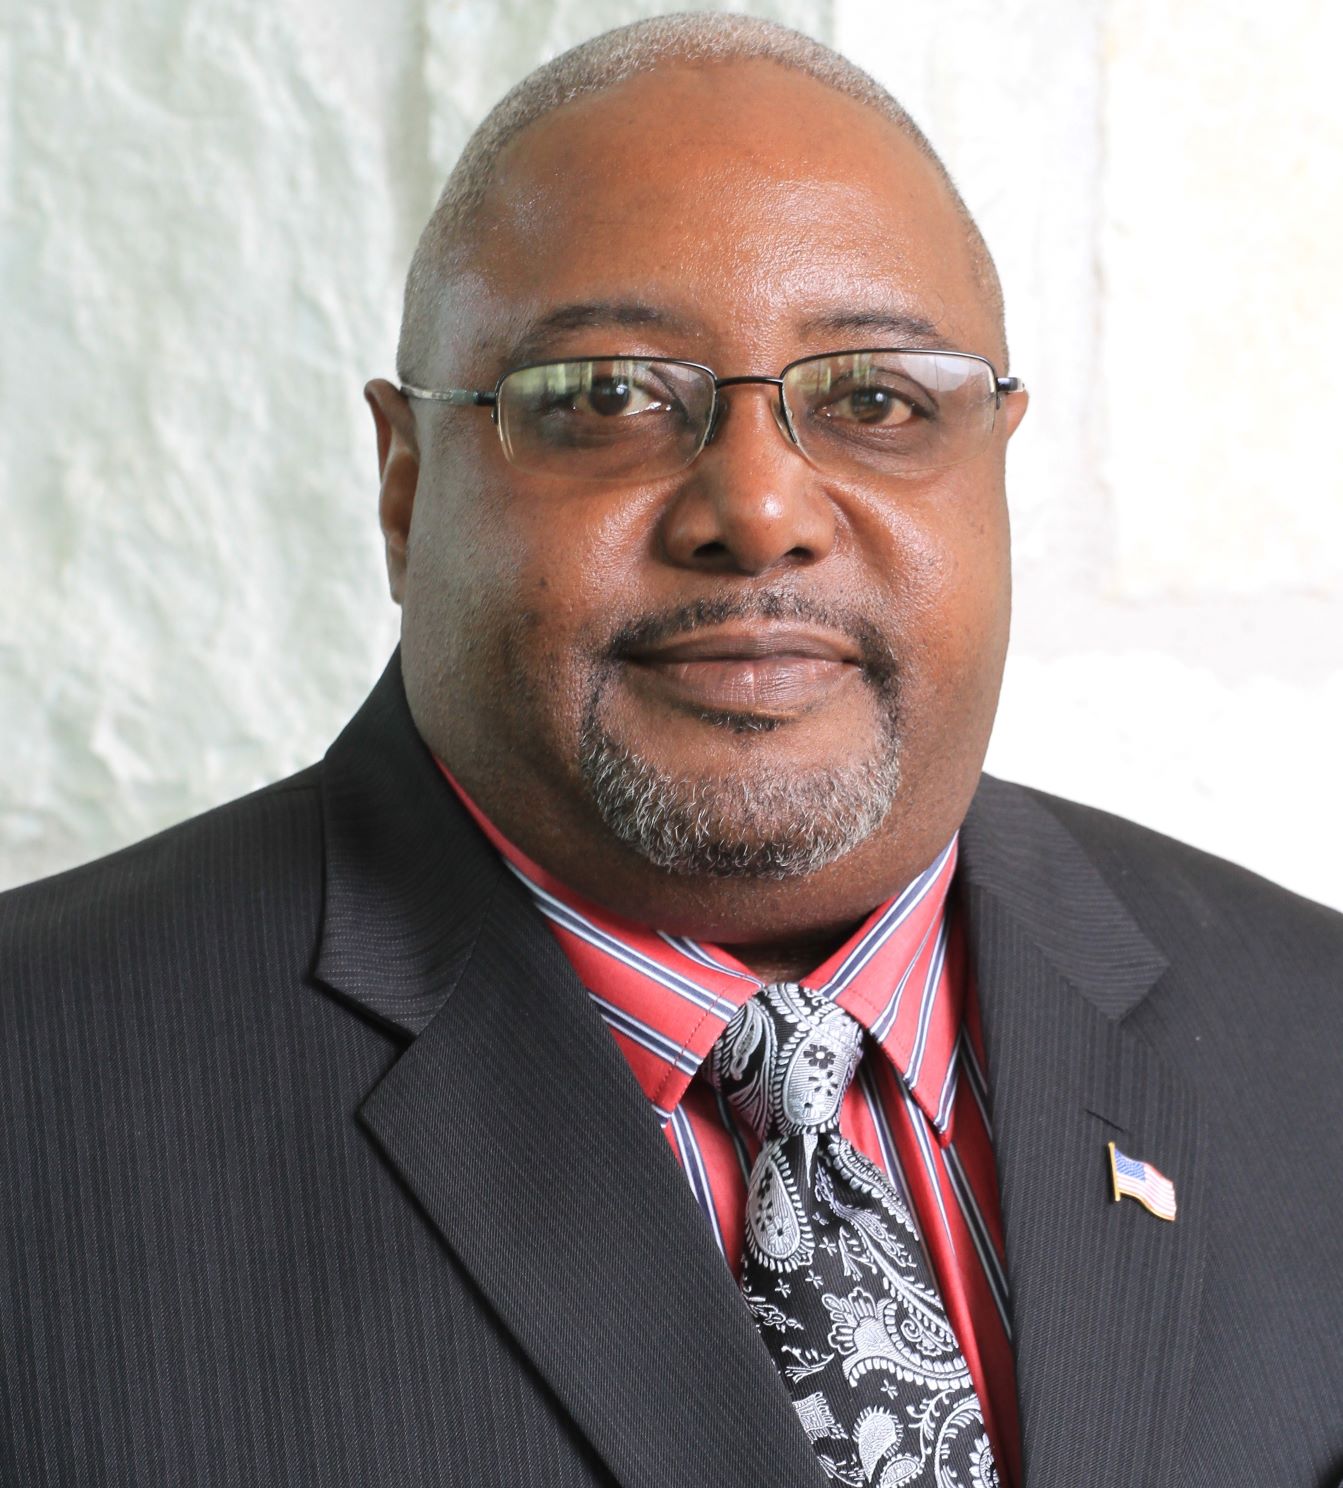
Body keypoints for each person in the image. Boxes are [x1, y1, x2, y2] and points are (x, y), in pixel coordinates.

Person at [2, 13, 1340, 1488]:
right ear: (402, 489)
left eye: (878, 398)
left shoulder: (1317, 1040)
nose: (759, 508)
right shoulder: (37, 1109)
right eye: (606, 398)